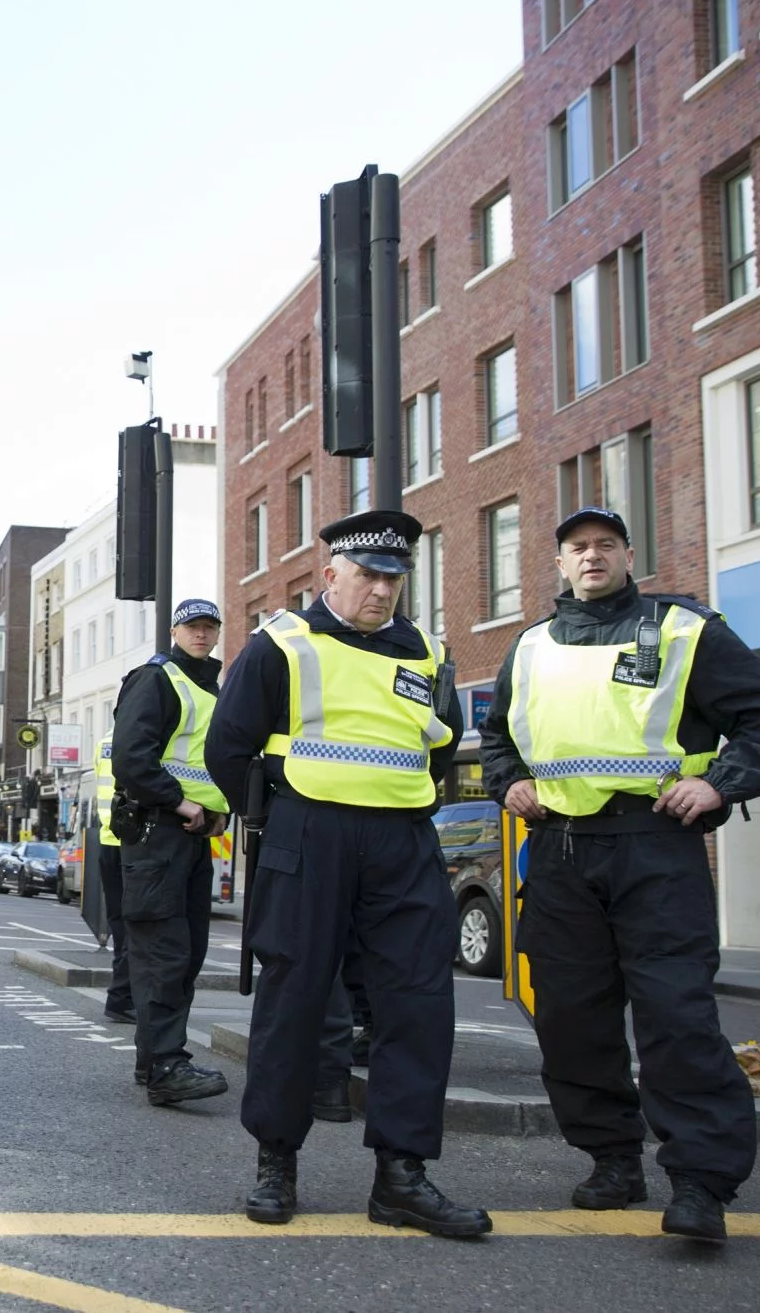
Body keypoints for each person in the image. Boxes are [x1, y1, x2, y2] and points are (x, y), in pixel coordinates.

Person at [478, 506, 760, 1243]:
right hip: (560, 854)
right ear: (558, 564)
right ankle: (611, 1158)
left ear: (630, 554)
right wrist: (506, 783)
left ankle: (699, 1182)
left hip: (654, 848)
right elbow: (498, 738)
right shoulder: (529, 646)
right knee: (570, 1021)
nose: (590, 557)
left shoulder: (688, 631)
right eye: (575, 548)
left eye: (604, 545)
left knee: (676, 1017)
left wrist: (720, 783)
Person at [203, 511, 489, 1238]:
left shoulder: (427, 651)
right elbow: (228, 748)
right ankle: (277, 1161)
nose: (383, 589)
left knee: (418, 1004)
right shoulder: (282, 643)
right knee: (294, 1000)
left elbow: (437, 747)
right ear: (330, 575)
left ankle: (402, 1175)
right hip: (309, 833)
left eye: (394, 577)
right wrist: (283, 814)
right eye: (368, 574)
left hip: (402, 840)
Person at [110, 598, 231, 1106]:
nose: (201, 635)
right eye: (192, 627)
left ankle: (153, 1061)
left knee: (186, 953)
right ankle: (166, 1066)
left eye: (209, 627)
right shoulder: (157, 678)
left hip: (192, 835)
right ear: (175, 631)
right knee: (164, 954)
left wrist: (220, 809)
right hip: (157, 832)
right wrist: (183, 804)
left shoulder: (208, 687)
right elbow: (130, 758)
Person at [91, 729, 133, 1024]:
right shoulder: (136, 737)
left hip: (108, 840)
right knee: (136, 928)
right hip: (131, 842)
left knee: (121, 927)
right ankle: (121, 999)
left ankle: (120, 998)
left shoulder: (104, 743)